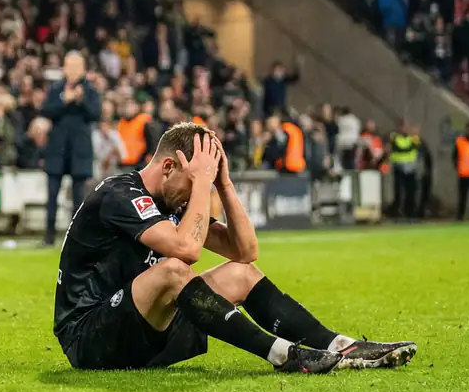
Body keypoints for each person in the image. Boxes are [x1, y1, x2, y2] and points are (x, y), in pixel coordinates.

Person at [55, 122, 416, 373]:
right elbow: (187, 250)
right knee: (173, 270)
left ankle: (340, 345)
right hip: (89, 338)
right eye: (194, 180)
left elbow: (245, 251)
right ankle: (282, 355)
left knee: (239, 275)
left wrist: (224, 185)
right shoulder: (120, 194)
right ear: (168, 167)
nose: (198, 191)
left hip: (139, 333)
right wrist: (199, 184)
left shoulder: (173, 200)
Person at [41, 51, 101, 246]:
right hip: (57, 150)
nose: (73, 70)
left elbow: (96, 114)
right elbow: (45, 110)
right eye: (70, 66)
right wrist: (64, 100)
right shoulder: (55, 89)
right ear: (64, 68)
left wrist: (80, 100)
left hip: (79, 150)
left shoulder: (90, 90)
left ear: (83, 69)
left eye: (77, 66)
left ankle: (76, 237)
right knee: (52, 194)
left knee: (78, 197)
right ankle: (48, 235)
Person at [386, 123, 424, 219]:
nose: (405, 130)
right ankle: (397, 212)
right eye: (402, 127)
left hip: (411, 169)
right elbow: (389, 142)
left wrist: (416, 134)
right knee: (398, 192)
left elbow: (419, 145)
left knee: (411, 192)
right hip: (399, 168)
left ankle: (410, 212)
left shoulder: (413, 138)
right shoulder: (394, 137)